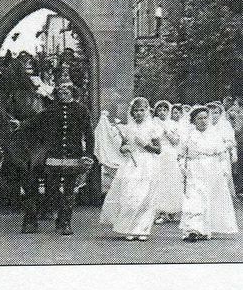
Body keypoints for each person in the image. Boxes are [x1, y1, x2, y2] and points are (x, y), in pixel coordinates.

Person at [21, 76, 95, 234]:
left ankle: (65, 222)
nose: (63, 93)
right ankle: (58, 215)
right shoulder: (51, 110)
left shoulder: (82, 110)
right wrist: (20, 125)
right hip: (54, 157)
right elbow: (34, 121)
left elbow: (89, 135)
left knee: (69, 190)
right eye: (60, 91)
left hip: (74, 157)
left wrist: (88, 154)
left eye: (67, 91)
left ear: (72, 92)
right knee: (53, 190)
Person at [100, 97, 162, 241]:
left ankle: (142, 229)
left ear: (147, 111)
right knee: (130, 195)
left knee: (145, 196)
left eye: (142, 110)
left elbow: (158, 149)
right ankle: (129, 227)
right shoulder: (128, 128)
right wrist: (124, 148)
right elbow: (123, 146)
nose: (139, 113)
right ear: (132, 112)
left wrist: (145, 145)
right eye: (136, 111)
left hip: (147, 163)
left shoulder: (153, 128)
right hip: (131, 164)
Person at [179, 106, 239, 241]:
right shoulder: (188, 136)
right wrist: (183, 167)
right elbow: (181, 155)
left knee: (210, 198)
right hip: (194, 170)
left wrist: (224, 170)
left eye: (205, 118)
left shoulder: (215, 135)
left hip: (212, 169)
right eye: (199, 118)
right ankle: (193, 229)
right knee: (195, 198)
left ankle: (206, 229)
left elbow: (222, 155)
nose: (203, 121)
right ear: (193, 121)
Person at [152, 100, 183, 223]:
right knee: (159, 181)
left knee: (171, 181)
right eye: (159, 110)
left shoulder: (173, 124)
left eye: (165, 110)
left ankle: (171, 211)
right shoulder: (153, 124)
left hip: (169, 154)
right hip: (158, 154)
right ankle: (161, 211)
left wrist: (166, 131)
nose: (162, 112)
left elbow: (176, 142)